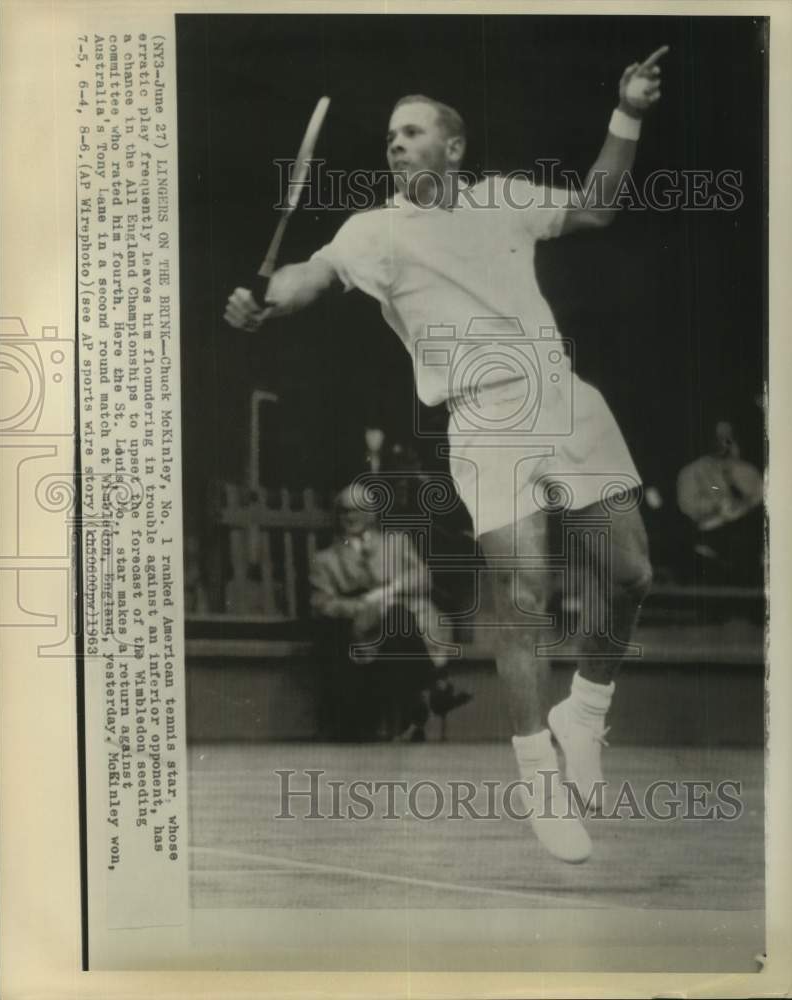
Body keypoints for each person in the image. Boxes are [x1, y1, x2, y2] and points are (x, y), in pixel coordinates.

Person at [226, 50, 666, 862]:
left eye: (412, 131)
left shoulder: (504, 200)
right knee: (525, 589)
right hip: (482, 421)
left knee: (632, 573)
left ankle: (586, 713)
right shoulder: (375, 232)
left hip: (562, 397)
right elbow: (308, 274)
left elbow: (600, 209)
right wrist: (265, 301)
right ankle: (538, 773)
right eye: (390, 135)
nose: (394, 144)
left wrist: (627, 111)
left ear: (452, 149)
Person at [310, 486, 471, 741]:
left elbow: (423, 578)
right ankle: (435, 688)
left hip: (406, 623)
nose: (351, 517)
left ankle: (416, 710)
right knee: (398, 620)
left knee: (399, 620)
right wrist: (364, 604)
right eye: (344, 512)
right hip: (363, 628)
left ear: (371, 514)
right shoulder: (326, 559)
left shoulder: (396, 543)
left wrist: (391, 590)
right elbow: (322, 604)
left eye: (358, 510)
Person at [676, 420, 764, 585]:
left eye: (727, 437)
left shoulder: (747, 470)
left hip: (746, 533)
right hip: (711, 534)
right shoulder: (691, 472)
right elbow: (687, 505)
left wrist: (745, 505)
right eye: (717, 437)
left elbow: (761, 499)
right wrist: (716, 506)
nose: (723, 442)